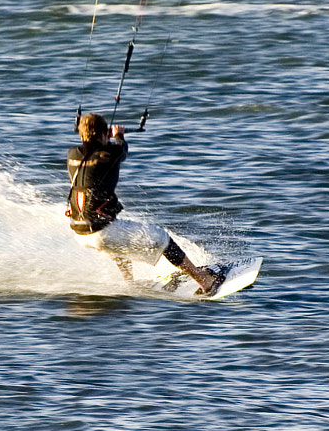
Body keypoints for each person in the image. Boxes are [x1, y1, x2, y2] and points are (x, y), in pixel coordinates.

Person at [66, 112, 225, 295]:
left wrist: (106, 136)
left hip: (80, 231)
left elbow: (94, 152)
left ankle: (129, 282)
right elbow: (121, 149)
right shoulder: (110, 153)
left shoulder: (72, 153)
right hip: (101, 231)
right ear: (103, 134)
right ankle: (204, 279)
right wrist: (118, 134)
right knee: (162, 239)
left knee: (118, 244)